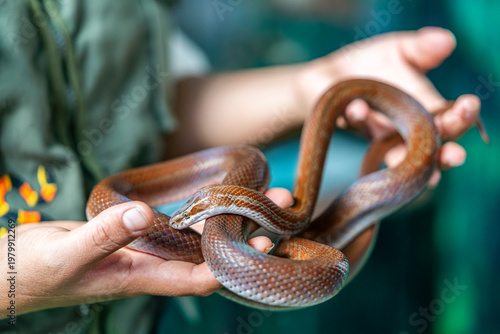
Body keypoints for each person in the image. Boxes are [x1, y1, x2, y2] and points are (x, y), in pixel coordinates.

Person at [0, 1, 481, 332]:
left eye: (191, 215)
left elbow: (156, 107)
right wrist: (12, 280)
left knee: (264, 196)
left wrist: (314, 84)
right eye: (188, 217)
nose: (184, 222)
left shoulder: (228, 205)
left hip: (145, 322)